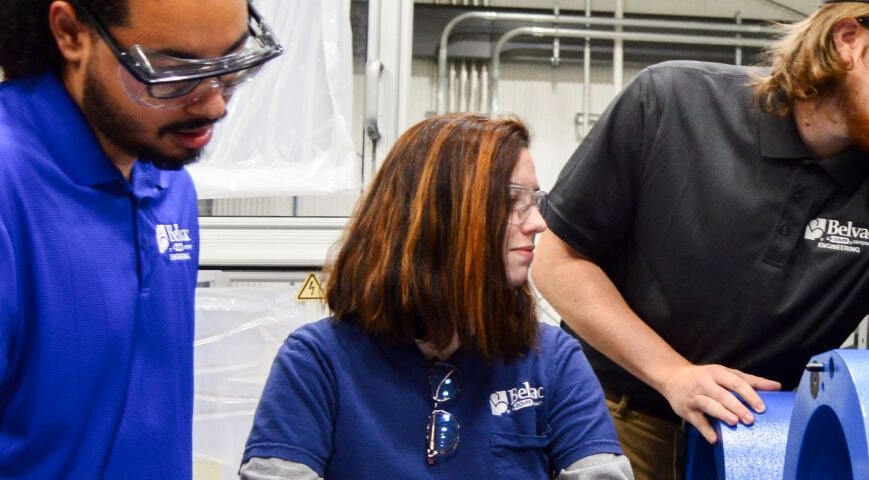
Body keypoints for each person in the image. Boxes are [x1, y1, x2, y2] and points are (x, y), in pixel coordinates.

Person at [530, 0, 869, 477]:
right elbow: (557, 261)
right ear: (849, 39)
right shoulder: (672, 103)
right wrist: (674, 374)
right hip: (618, 419)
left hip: (757, 442)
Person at [0, 0, 281, 477]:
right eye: (172, 70)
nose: (214, 103)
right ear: (70, 33)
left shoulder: (166, 183)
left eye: (231, 65)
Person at [239, 114, 632, 480]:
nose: (538, 223)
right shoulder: (317, 362)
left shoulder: (553, 361)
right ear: (440, 215)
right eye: (513, 202)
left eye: (535, 200)